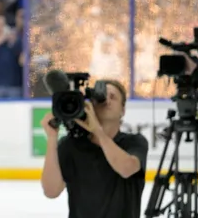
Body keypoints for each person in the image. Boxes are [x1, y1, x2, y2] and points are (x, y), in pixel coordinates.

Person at [40, 80, 148, 218]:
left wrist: (98, 131)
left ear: (123, 110)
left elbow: (127, 169)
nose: (107, 100)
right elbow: (51, 191)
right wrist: (52, 137)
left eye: (113, 97)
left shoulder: (134, 142)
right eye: (101, 97)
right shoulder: (71, 145)